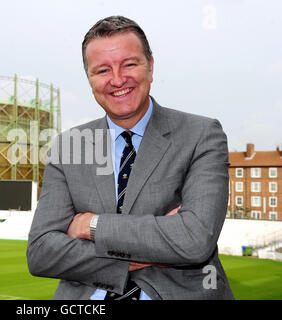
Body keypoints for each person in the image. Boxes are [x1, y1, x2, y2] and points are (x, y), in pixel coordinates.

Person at [27, 15, 234, 300]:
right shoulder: (68, 145)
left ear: (151, 65)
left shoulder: (201, 134)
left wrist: (91, 226)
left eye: (129, 64)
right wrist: (149, 249)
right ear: (89, 78)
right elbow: (41, 253)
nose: (117, 80)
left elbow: (195, 240)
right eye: (102, 70)